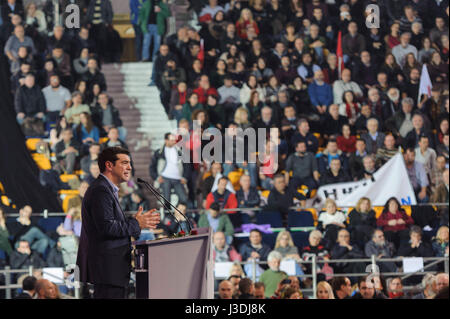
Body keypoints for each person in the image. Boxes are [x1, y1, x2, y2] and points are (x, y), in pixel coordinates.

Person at [76, 147, 161, 299]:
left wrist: (137, 223)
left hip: (112, 270)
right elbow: (107, 227)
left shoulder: (107, 189)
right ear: (109, 165)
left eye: (130, 163)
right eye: (124, 163)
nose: (130, 167)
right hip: (108, 270)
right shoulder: (100, 191)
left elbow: (112, 225)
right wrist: (136, 223)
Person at [150, 133, 190, 206]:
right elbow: (152, 167)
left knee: (184, 199)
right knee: (166, 200)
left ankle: (179, 213)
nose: (174, 142)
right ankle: (167, 216)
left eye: (174, 140)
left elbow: (187, 165)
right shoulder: (159, 152)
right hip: (165, 178)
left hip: (178, 179)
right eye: (171, 140)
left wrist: (185, 177)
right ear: (166, 140)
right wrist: (157, 177)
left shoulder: (180, 151)